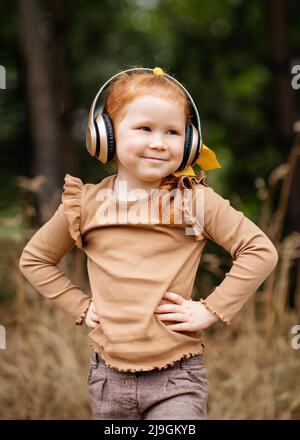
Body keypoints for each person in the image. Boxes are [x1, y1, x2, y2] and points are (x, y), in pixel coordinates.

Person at [19, 66, 278, 420]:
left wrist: (210, 308)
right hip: (108, 377)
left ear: (189, 143)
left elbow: (259, 251)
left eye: (173, 132)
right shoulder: (87, 204)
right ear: (105, 135)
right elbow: (35, 259)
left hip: (177, 378)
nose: (159, 142)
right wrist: (79, 305)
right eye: (144, 128)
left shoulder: (195, 201)